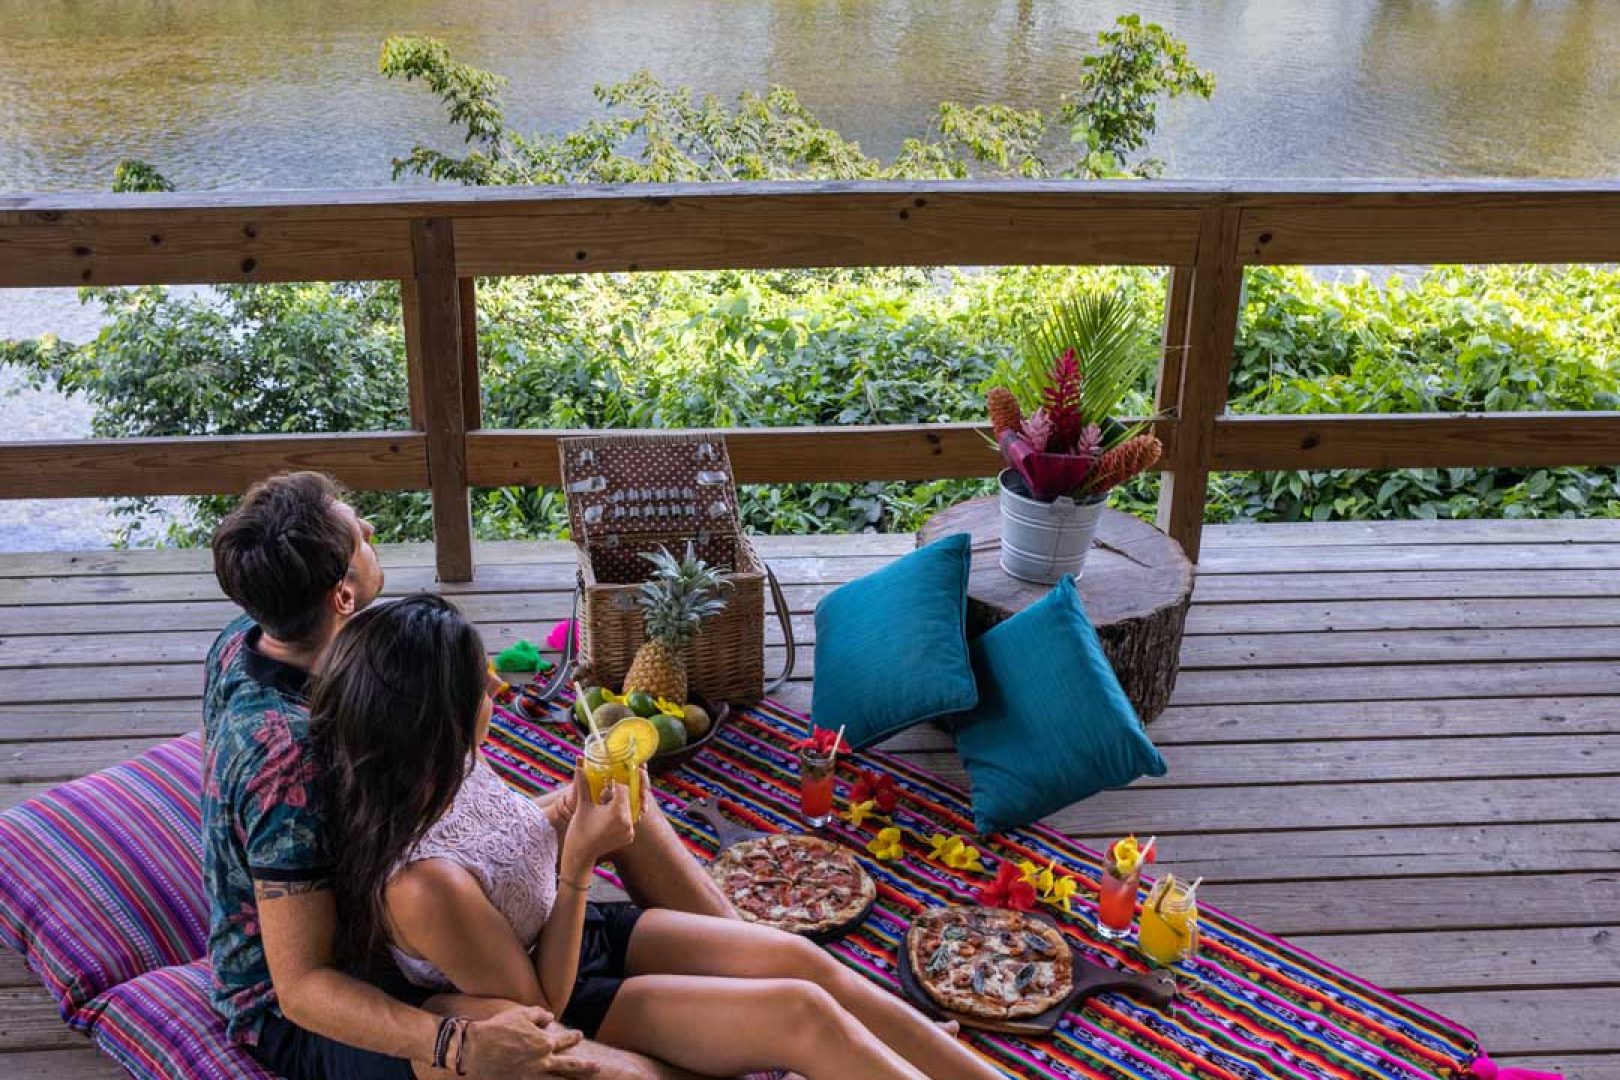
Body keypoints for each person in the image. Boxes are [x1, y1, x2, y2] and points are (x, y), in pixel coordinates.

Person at [313, 594, 1007, 1080]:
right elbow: (537, 1008)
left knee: (804, 964)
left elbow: (506, 839)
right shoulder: (421, 884)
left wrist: (576, 806)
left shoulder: (443, 764)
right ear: (437, 716)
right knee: (801, 1015)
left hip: (586, 932)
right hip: (571, 992)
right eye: (480, 687)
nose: (493, 691)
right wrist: (580, 861)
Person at [203, 471, 731, 1080]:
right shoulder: (289, 757)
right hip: (334, 984)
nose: (372, 529)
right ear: (341, 595)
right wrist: (454, 1043)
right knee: (548, 1060)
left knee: (612, 786)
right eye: (359, 535)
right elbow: (301, 985)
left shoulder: (254, 634)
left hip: (403, 886)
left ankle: (750, 959)